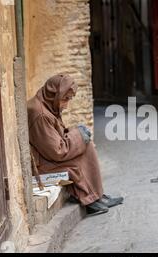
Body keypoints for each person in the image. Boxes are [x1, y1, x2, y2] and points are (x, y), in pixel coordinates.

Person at [27, 74, 123, 214]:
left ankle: (96, 196)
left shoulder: (47, 105)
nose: (66, 105)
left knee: (86, 144)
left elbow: (55, 139)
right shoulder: (40, 113)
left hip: (47, 155)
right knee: (79, 156)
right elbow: (58, 151)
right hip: (42, 164)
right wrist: (78, 136)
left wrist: (77, 134)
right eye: (65, 100)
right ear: (53, 94)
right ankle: (91, 198)